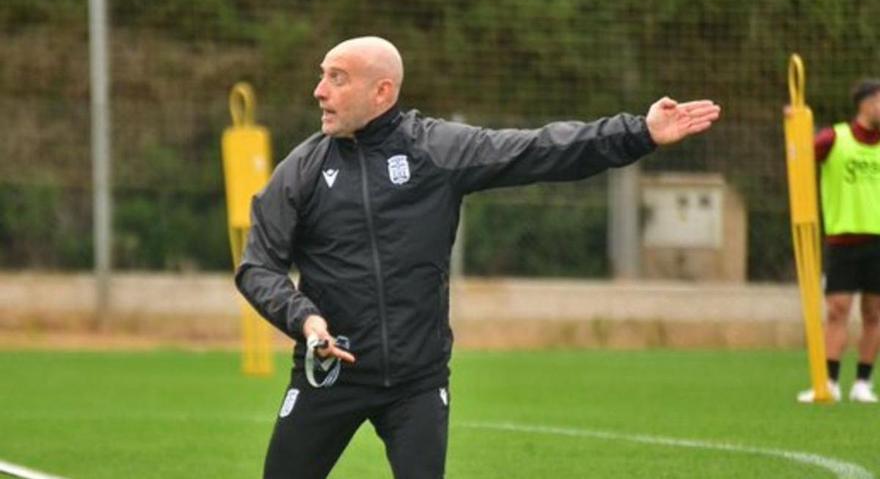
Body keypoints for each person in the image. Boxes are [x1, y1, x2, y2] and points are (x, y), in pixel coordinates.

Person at [235, 36, 721, 478]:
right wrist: (305, 319)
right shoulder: (302, 170)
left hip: (415, 380)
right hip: (330, 371)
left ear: (382, 92)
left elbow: (539, 149)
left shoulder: (434, 150)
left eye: (336, 78)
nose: (319, 90)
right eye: (321, 75)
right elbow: (257, 265)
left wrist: (640, 132)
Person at [798, 79, 880, 404]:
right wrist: (796, 125)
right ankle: (828, 382)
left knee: (874, 312)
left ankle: (863, 382)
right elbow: (801, 157)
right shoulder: (835, 138)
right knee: (837, 310)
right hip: (843, 239)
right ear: (864, 103)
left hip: (879, 239)